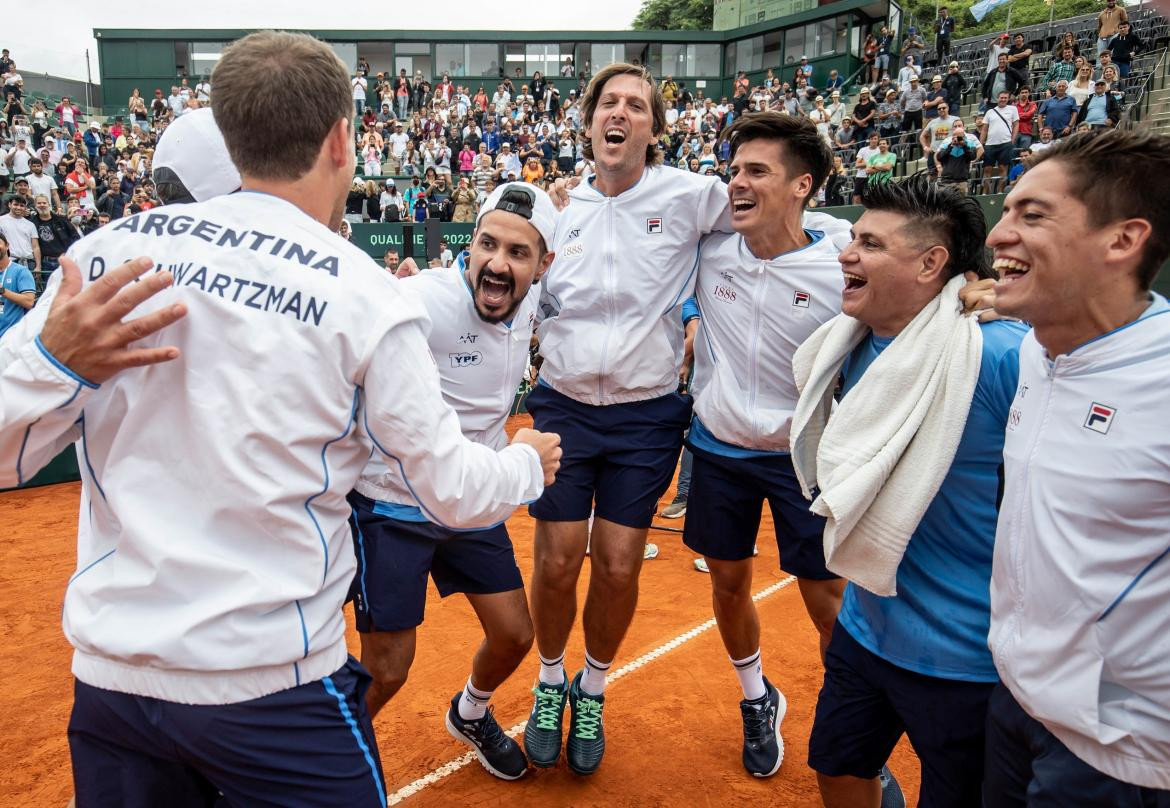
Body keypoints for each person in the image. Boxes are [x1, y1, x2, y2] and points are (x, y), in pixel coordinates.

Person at [0, 31, 561, 807]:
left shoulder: (104, 255)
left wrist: (52, 362)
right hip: (274, 689)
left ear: (229, 133)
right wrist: (529, 460)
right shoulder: (363, 294)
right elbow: (456, 491)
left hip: (116, 689)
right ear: (340, 139)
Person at [523, 62, 729, 777]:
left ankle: (595, 687)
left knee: (614, 565)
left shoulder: (694, 196)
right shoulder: (554, 208)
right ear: (588, 124)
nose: (621, 113)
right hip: (562, 405)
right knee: (554, 561)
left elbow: (776, 219)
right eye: (608, 102)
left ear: (654, 130)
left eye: (636, 106)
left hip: (645, 415)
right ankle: (551, 682)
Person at [800, 173, 1023, 808]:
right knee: (839, 770)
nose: (847, 253)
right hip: (867, 624)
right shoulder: (849, 343)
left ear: (932, 264)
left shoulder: (1000, 353)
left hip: (965, 657)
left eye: (869, 243)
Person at [984, 127, 1170, 806]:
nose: (999, 235)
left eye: (1031, 215)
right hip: (1014, 698)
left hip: (1123, 751)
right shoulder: (1037, 347)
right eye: (1005, 213)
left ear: (1123, 241)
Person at [349, 182, 557, 781]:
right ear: (469, 246)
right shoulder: (421, 298)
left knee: (516, 635)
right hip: (394, 502)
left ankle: (470, 712)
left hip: (476, 495)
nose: (496, 262)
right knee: (388, 667)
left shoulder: (538, 304)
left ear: (542, 266)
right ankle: (313, 765)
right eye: (486, 244)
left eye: (518, 253)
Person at [682, 111, 852, 778]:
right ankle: (757, 699)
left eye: (757, 172)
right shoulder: (712, 250)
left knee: (826, 600)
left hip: (802, 459)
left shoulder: (843, 265)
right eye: (734, 171)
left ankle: (852, 733)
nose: (738, 184)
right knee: (726, 583)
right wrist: (695, 322)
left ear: (802, 185)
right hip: (720, 446)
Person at [980, 91, 1019, 194]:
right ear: (997, 98)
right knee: (987, 169)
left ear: (1008, 99)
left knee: (1003, 168)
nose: (1003, 99)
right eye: (1001, 97)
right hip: (990, 144)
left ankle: (1000, 192)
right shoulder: (990, 111)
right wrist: (980, 144)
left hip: (1005, 143)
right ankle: (985, 193)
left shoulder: (1013, 109)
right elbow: (984, 129)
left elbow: (1016, 125)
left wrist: (1013, 139)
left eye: (1005, 98)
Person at [0, 232, 35, 339]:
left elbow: (29, 302)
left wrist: (2, 291)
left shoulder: (20, 271)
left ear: (7, 246)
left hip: (10, 338)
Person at [0, 195, 40, 274]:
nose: (18, 207)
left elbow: (35, 247)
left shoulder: (30, 225)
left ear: (25, 208)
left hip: (29, 262)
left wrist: (38, 266)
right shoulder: (1, 220)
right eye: (15, 204)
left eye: (22, 206)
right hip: (9, 261)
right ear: (9, 205)